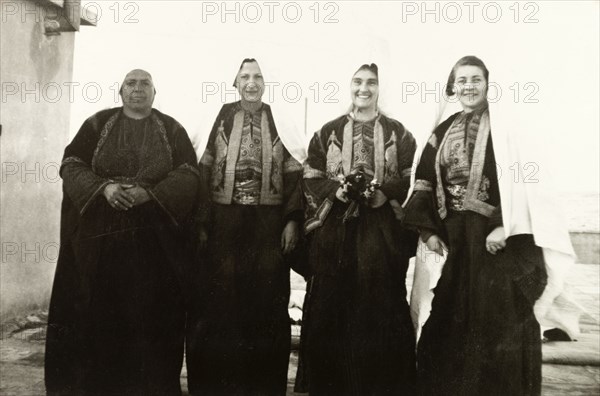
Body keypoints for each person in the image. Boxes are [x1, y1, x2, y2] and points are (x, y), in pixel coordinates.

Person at [44, 69, 200, 395]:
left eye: (145, 84)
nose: (138, 89)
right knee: (95, 319)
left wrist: (150, 194)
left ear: (155, 93)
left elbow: (188, 174)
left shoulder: (172, 130)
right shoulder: (97, 125)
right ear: (121, 91)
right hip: (99, 246)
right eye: (131, 83)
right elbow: (71, 163)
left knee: (149, 320)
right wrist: (104, 188)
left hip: (153, 248)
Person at [403, 56, 551, 396]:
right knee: (446, 323)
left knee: (497, 323)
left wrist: (507, 225)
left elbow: (526, 183)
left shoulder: (507, 127)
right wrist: (428, 231)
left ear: (488, 83)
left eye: (475, 79)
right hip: (458, 239)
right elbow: (424, 180)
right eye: (462, 80)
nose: (468, 86)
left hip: (496, 241)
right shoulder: (443, 130)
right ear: (453, 86)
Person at [186, 58, 303, 396]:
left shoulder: (279, 118)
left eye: (258, 76)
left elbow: (295, 172)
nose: (251, 83)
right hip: (225, 224)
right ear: (234, 81)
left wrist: (292, 220)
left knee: (266, 303)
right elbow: (204, 170)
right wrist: (203, 222)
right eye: (245, 77)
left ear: (268, 82)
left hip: (268, 226)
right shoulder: (220, 115)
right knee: (221, 304)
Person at [301, 63, 417, 395]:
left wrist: (387, 195)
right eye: (357, 82)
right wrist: (333, 192)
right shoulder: (328, 132)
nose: (363, 88)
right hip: (336, 234)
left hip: (380, 236)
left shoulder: (400, 133)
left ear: (382, 87)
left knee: (379, 307)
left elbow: (413, 178)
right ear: (349, 86)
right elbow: (309, 176)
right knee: (331, 308)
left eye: (371, 82)